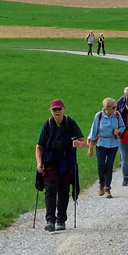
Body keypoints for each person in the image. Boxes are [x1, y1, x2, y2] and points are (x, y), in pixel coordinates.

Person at [36, 99, 88, 232]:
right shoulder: (47, 125)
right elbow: (39, 147)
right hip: (50, 161)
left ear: (64, 110)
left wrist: (79, 144)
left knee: (64, 190)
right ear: (51, 111)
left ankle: (61, 219)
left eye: (59, 109)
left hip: (66, 162)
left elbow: (84, 142)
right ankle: (50, 220)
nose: (57, 111)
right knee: (51, 187)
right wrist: (39, 163)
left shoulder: (70, 123)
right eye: (54, 109)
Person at [88, 98, 125, 198]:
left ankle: (107, 188)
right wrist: (90, 148)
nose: (115, 108)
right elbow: (93, 131)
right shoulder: (99, 116)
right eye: (113, 107)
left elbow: (122, 126)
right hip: (101, 143)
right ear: (107, 108)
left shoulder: (117, 115)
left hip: (113, 143)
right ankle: (101, 183)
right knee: (101, 165)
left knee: (109, 165)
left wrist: (119, 131)